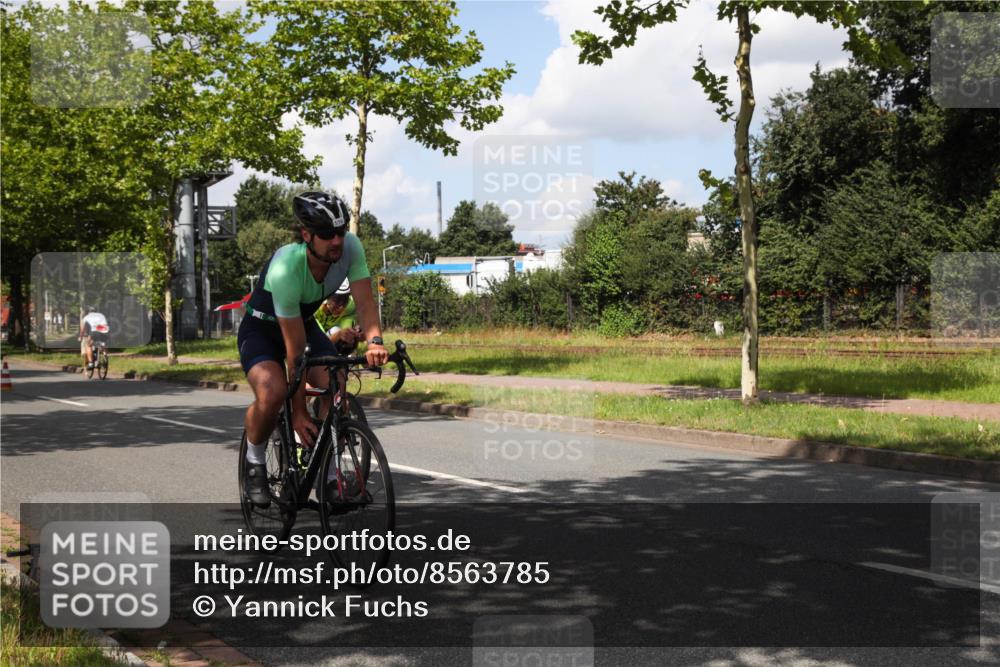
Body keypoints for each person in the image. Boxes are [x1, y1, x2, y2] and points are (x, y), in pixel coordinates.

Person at [238, 191, 388, 507]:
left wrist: (375, 341)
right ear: (307, 235)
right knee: (272, 391)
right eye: (326, 234)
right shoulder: (286, 268)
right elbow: (295, 354)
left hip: (303, 323)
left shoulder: (350, 248)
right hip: (262, 330)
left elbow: (364, 302)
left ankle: (329, 477)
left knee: (336, 381)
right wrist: (297, 413)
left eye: (340, 231)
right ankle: (254, 462)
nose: (336, 240)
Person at [314, 279, 362, 352]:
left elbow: (347, 331)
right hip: (311, 338)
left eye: (345, 299)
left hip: (329, 336)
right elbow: (319, 343)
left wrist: (354, 334)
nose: (341, 306)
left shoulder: (351, 305)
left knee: (345, 336)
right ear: (327, 296)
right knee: (335, 331)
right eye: (337, 299)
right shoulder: (315, 307)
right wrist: (339, 335)